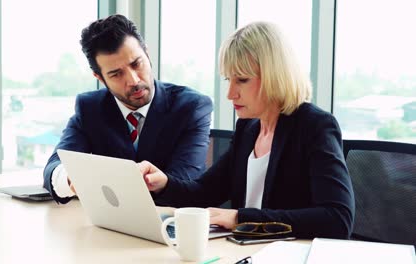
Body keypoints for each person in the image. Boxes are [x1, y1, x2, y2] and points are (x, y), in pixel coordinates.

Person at [139, 22, 355, 239]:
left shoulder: (314, 126)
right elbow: (204, 192)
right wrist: (163, 183)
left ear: (275, 76)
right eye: (228, 80)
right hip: (243, 250)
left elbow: (337, 219)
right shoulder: (249, 128)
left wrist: (241, 219)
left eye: (242, 80)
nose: (230, 94)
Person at [43, 15, 213, 204]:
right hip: (111, 224)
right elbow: (54, 167)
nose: (133, 81)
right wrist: (69, 179)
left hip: (169, 224)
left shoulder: (191, 107)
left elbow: (184, 182)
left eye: (136, 64)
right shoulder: (90, 108)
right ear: (99, 77)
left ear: (147, 54)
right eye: (116, 74)